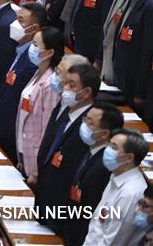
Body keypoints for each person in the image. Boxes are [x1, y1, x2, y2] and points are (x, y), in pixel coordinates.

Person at [33, 63, 99, 229]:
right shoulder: (63, 109)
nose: (65, 87)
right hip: (43, 203)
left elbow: (75, 172)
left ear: (86, 93)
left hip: (61, 213)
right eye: (66, 82)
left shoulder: (89, 128)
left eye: (71, 84)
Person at [59, 102, 124, 246]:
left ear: (105, 133)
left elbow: (91, 210)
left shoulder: (104, 166)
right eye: (84, 120)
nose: (84, 126)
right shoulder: (91, 150)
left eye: (90, 123)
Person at [0, 2, 47, 163]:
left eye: (21, 20)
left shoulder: (33, 62)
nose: (15, 24)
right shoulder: (19, 51)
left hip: (14, 134)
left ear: (34, 28)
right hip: (1, 125)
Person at [83, 129, 149, 244]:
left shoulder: (130, 194)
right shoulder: (116, 176)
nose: (107, 150)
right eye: (108, 144)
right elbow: (98, 224)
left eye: (114, 147)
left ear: (129, 158)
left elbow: (113, 241)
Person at [17, 27, 65, 181]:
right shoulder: (39, 72)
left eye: (36, 45)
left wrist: (36, 170)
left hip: (35, 163)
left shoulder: (51, 85)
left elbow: (47, 129)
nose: (32, 48)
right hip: (24, 153)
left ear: (50, 52)